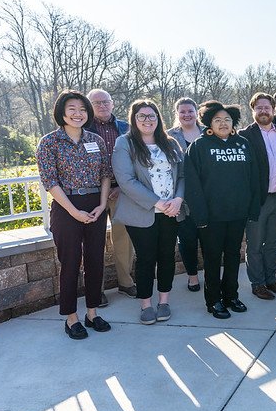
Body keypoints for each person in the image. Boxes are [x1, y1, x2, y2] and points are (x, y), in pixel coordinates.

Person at [36, 90, 112, 339]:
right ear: (62, 112)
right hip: (66, 206)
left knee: (95, 261)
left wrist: (102, 206)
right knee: (70, 263)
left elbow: (105, 175)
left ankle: (92, 313)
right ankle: (71, 318)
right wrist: (74, 212)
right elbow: (51, 182)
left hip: (95, 205)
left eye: (82, 109)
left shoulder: (95, 140)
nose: (78, 113)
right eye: (72, 109)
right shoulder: (49, 142)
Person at [184, 101, 260, 319]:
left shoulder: (243, 144)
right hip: (211, 217)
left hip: (237, 214)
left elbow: (254, 177)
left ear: (233, 122)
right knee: (212, 259)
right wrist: (200, 216)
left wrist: (252, 208)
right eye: (217, 120)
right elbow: (192, 183)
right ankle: (214, 300)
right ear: (209, 122)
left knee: (234, 257)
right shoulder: (199, 146)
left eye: (227, 119)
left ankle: (231, 296)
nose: (223, 123)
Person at [113, 100, 185, 324]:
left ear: (158, 118)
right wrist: (157, 202)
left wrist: (178, 200)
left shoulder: (170, 143)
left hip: (171, 211)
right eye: (142, 116)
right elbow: (125, 180)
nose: (147, 120)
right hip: (141, 212)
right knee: (145, 258)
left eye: (151, 116)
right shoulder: (125, 143)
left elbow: (181, 175)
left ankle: (164, 301)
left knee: (167, 256)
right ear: (134, 119)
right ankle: (146, 304)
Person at [86, 88, 135, 304]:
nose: (102, 106)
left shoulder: (126, 128)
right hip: (93, 193)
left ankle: (126, 283)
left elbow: (136, 160)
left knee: (124, 240)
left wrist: (123, 187)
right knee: (93, 242)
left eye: (106, 102)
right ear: (89, 106)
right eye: (97, 103)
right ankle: (97, 289)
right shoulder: (83, 128)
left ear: (112, 103)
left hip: (121, 191)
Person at [239, 92, 276, 301]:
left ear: (273, 109)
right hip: (257, 200)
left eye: (266, 107)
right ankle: (257, 283)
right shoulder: (244, 136)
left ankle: (271, 279)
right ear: (253, 111)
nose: (263, 111)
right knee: (255, 244)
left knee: (272, 243)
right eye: (258, 107)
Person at [167, 97, 204, 292]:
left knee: (209, 239)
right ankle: (192, 276)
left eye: (190, 111)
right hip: (182, 197)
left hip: (208, 196)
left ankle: (212, 273)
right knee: (187, 239)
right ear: (177, 114)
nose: (187, 115)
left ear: (196, 112)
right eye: (182, 112)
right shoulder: (168, 137)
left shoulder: (209, 132)